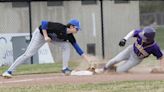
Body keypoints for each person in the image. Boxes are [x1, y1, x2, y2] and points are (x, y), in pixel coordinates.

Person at [2, 19, 92, 78]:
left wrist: (89, 61)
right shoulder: (59, 27)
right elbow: (43, 23)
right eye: (77, 29)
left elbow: (78, 49)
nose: (77, 31)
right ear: (71, 26)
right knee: (28, 54)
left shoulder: (70, 37)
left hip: (51, 38)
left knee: (66, 46)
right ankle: (9, 71)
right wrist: (45, 36)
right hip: (40, 34)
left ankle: (65, 68)